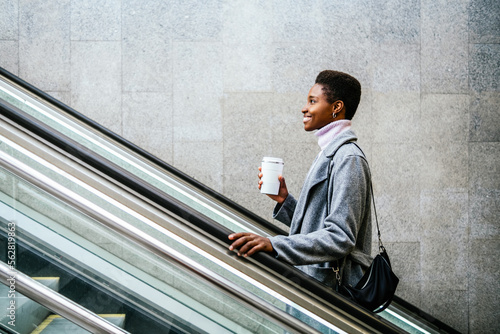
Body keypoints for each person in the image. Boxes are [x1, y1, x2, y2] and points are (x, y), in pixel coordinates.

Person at [228, 70, 372, 288]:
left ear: (336, 107)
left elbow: (341, 237)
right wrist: (285, 201)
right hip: (316, 283)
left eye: (312, 101)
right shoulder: (330, 153)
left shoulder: (347, 158)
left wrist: (274, 245)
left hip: (331, 293)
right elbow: (320, 224)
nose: (304, 108)